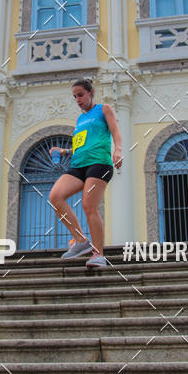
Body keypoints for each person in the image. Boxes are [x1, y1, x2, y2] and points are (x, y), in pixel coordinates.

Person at [49, 78, 122, 269]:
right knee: (55, 197)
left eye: (80, 95)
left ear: (91, 92)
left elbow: (115, 130)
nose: (78, 99)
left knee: (89, 205)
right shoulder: (80, 119)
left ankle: (98, 254)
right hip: (78, 165)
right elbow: (81, 144)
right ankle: (80, 240)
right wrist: (64, 151)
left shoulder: (103, 109)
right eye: (75, 97)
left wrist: (118, 150)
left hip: (99, 164)